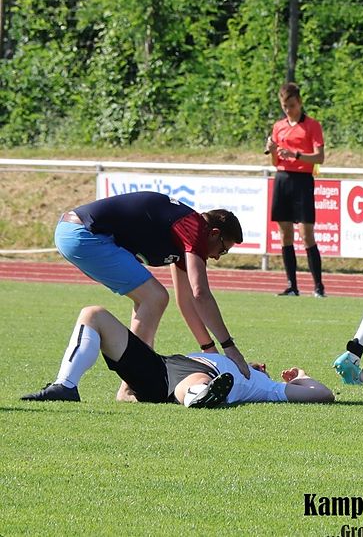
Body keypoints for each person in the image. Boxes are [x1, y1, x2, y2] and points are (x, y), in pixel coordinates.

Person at [54, 191, 250, 400]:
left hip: (76, 233)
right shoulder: (195, 228)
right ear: (214, 233)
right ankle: (130, 387)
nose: (217, 257)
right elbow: (200, 293)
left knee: (151, 298)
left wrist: (209, 349)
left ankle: (131, 385)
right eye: (223, 249)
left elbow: (186, 301)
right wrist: (230, 348)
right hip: (83, 234)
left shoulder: (186, 235)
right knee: (154, 297)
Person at [21, 306, 334, 406]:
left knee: (196, 380)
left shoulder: (266, 387)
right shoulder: (232, 364)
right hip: (161, 365)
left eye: (265, 368)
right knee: (94, 314)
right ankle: (66, 386)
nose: (262, 365)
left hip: (194, 378)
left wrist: (301, 377)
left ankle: (201, 395)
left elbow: (323, 395)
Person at [266, 82, 327, 298]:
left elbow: (320, 158)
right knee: (285, 234)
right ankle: (292, 285)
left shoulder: (312, 125)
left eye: (291, 105)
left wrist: (296, 155)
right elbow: (275, 161)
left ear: (299, 102)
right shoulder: (278, 126)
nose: (288, 110)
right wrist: (273, 151)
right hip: (282, 178)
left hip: (302, 180)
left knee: (306, 233)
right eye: (285, 106)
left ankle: (318, 286)